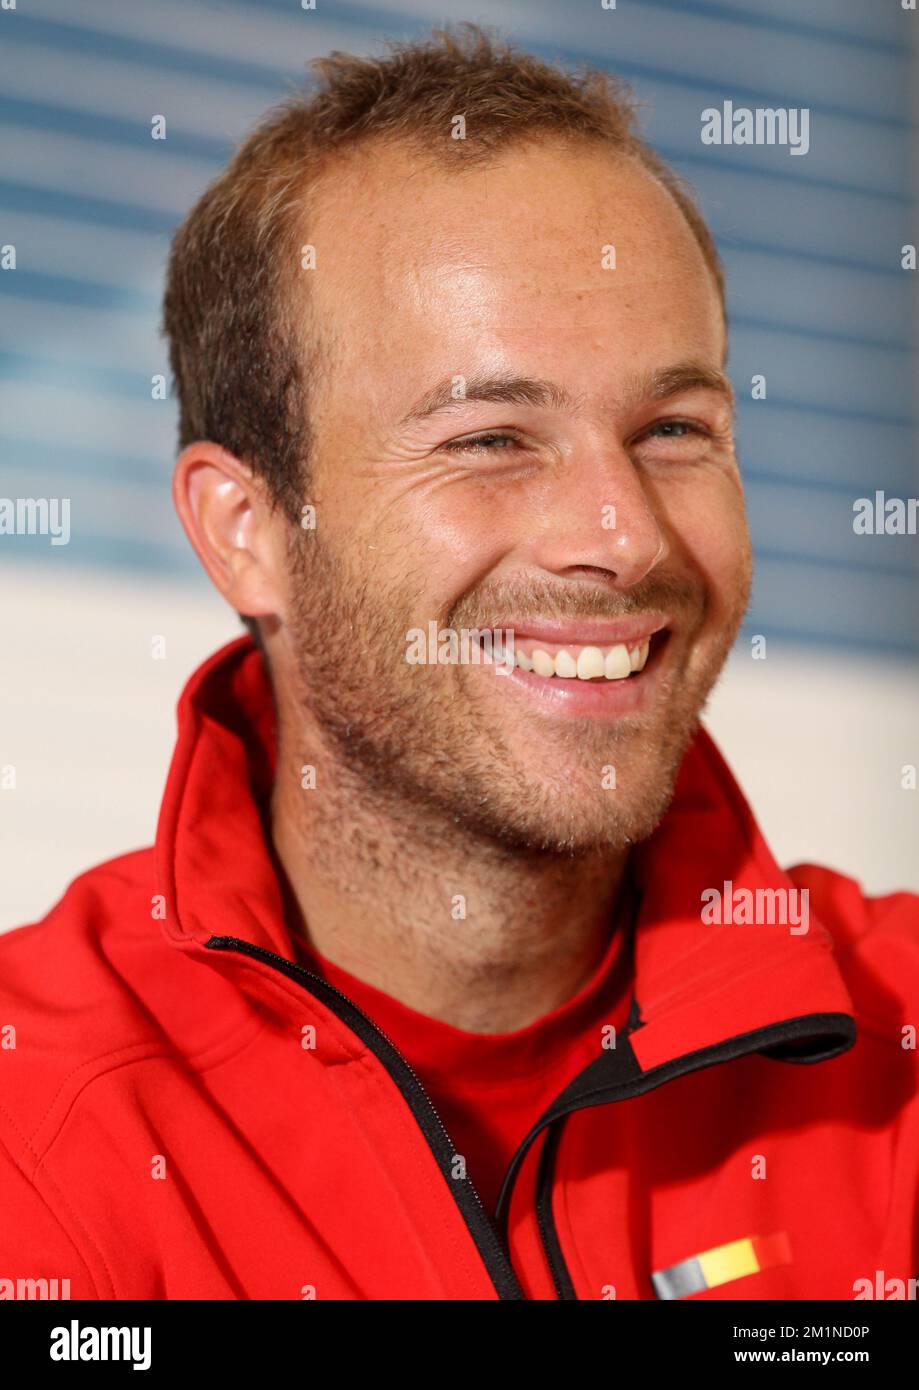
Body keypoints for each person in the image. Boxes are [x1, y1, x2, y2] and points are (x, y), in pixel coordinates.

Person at [1, 23, 916, 1302]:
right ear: (245, 532)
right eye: (490, 438)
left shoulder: (901, 1053)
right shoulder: (34, 1137)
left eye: (671, 429)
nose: (624, 535)